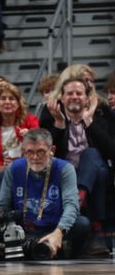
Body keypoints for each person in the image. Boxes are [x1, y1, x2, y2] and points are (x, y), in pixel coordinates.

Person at [0, 129, 91, 259]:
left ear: (52, 150)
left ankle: (35, 245)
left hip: (54, 227)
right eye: (30, 152)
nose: (35, 157)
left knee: (82, 224)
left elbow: (72, 206)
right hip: (22, 230)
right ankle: (37, 245)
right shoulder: (14, 168)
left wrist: (59, 232)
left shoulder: (65, 169)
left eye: (40, 151)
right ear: (24, 152)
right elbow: (2, 205)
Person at [42, 78, 113, 256]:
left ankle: (78, 200)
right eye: (70, 93)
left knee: (91, 155)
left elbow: (112, 152)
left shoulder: (101, 116)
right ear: (62, 98)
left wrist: (89, 122)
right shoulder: (50, 115)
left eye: (79, 93)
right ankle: (95, 230)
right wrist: (58, 125)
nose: (74, 97)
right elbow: (46, 156)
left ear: (87, 98)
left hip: (98, 174)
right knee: (70, 166)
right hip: (63, 176)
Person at [0, 82, 39, 198]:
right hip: (0, 178)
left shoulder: (30, 122)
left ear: (18, 103)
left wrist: (30, 136)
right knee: (8, 174)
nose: (7, 102)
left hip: (28, 172)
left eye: (11, 99)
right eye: (2, 99)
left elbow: (41, 147)